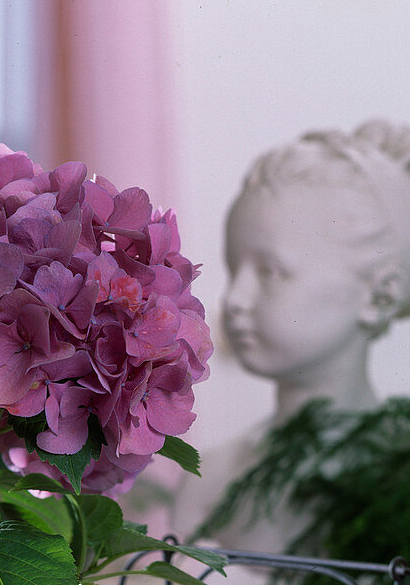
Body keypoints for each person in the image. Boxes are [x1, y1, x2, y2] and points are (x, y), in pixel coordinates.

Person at [173, 120, 410, 553]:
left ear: (379, 295)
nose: (235, 299)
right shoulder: (211, 483)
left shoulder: (400, 476)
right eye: (233, 269)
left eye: (270, 272)